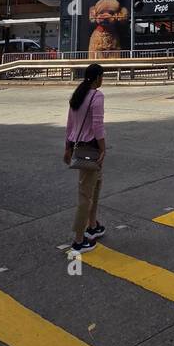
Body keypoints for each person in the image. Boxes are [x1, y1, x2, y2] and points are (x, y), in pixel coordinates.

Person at [63, 62, 107, 254]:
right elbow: (98, 125)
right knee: (85, 195)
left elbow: (70, 124)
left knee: (96, 185)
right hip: (91, 148)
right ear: (97, 78)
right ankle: (79, 240)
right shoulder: (96, 96)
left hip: (79, 146)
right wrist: (104, 148)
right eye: (102, 76)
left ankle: (92, 225)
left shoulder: (78, 95)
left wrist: (67, 147)